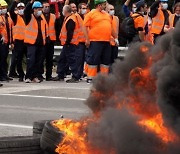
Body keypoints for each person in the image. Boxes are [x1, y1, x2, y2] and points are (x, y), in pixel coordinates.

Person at [83, 0, 118, 83]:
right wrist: (87, 39)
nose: (105, 6)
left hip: (106, 41)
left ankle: (103, 78)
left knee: (105, 61)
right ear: (99, 5)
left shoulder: (107, 15)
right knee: (93, 60)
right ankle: (91, 77)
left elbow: (111, 27)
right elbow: (84, 27)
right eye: (104, 4)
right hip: (95, 41)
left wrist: (115, 37)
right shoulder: (91, 14)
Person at [53, 5, 80, 83]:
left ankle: (75, 76)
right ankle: (60, 75)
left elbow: (70, 33)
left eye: (63, 11)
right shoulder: (69, 18)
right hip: (68, 43)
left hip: (70, 43)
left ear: (65, 11)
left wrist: (67, 42)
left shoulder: (71, 19)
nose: (62, 12)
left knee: (71, 60)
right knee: (62, 59)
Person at [24, 0, 48, 83]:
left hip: (40, 44)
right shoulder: (29, 17)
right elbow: (26, 10)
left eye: (40, 9)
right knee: (31, 60)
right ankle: (28, 76)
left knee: (38, 62)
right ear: (34, 9)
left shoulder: (42, 19)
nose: (40, 11)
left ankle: (35, 76)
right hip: (31, 43)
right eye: (38, 9)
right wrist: (30, 3)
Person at [10, 0, 27, 82]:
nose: (21, 9)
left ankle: (30, 74)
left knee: (30, 59)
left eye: (22, 8)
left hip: (27, 41)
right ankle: (21, 75)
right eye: (19, 8)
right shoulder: (15, 17)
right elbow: (10, 11)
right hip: (18, 42)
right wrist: (14, 2)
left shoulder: (27, 17)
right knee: (18, 60)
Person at [42, 1, 58, 81]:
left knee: (49, 59)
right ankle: (39, 74)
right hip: (43, 41)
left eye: (48, 6)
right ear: (42, 8)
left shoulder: (53, 16)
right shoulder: (39, 16)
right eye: (45, 7)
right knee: (41, 59)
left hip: (51, 40)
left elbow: (57, 26)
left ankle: (49, 75)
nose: (47, 8)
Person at [0, 0, 13, 81]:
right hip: (1, 41)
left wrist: (11, 42)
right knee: (1, 59)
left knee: (4, 59)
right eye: (2, 8)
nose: (4, 9)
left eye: (5, 7)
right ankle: (2, 75)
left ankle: (4, 74)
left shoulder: (7, 16)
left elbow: (10, 29)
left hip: (6, 41)